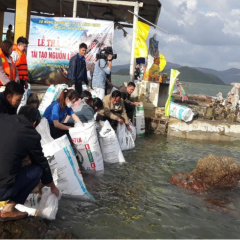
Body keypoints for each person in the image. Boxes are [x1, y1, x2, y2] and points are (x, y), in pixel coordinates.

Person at [0, 106, 59, 222]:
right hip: (2, 190)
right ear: (34, 122)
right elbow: (42, 164)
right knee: (37, 171)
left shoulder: (3, 118)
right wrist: (52, 186)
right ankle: (8, 209)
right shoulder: (31, 134)